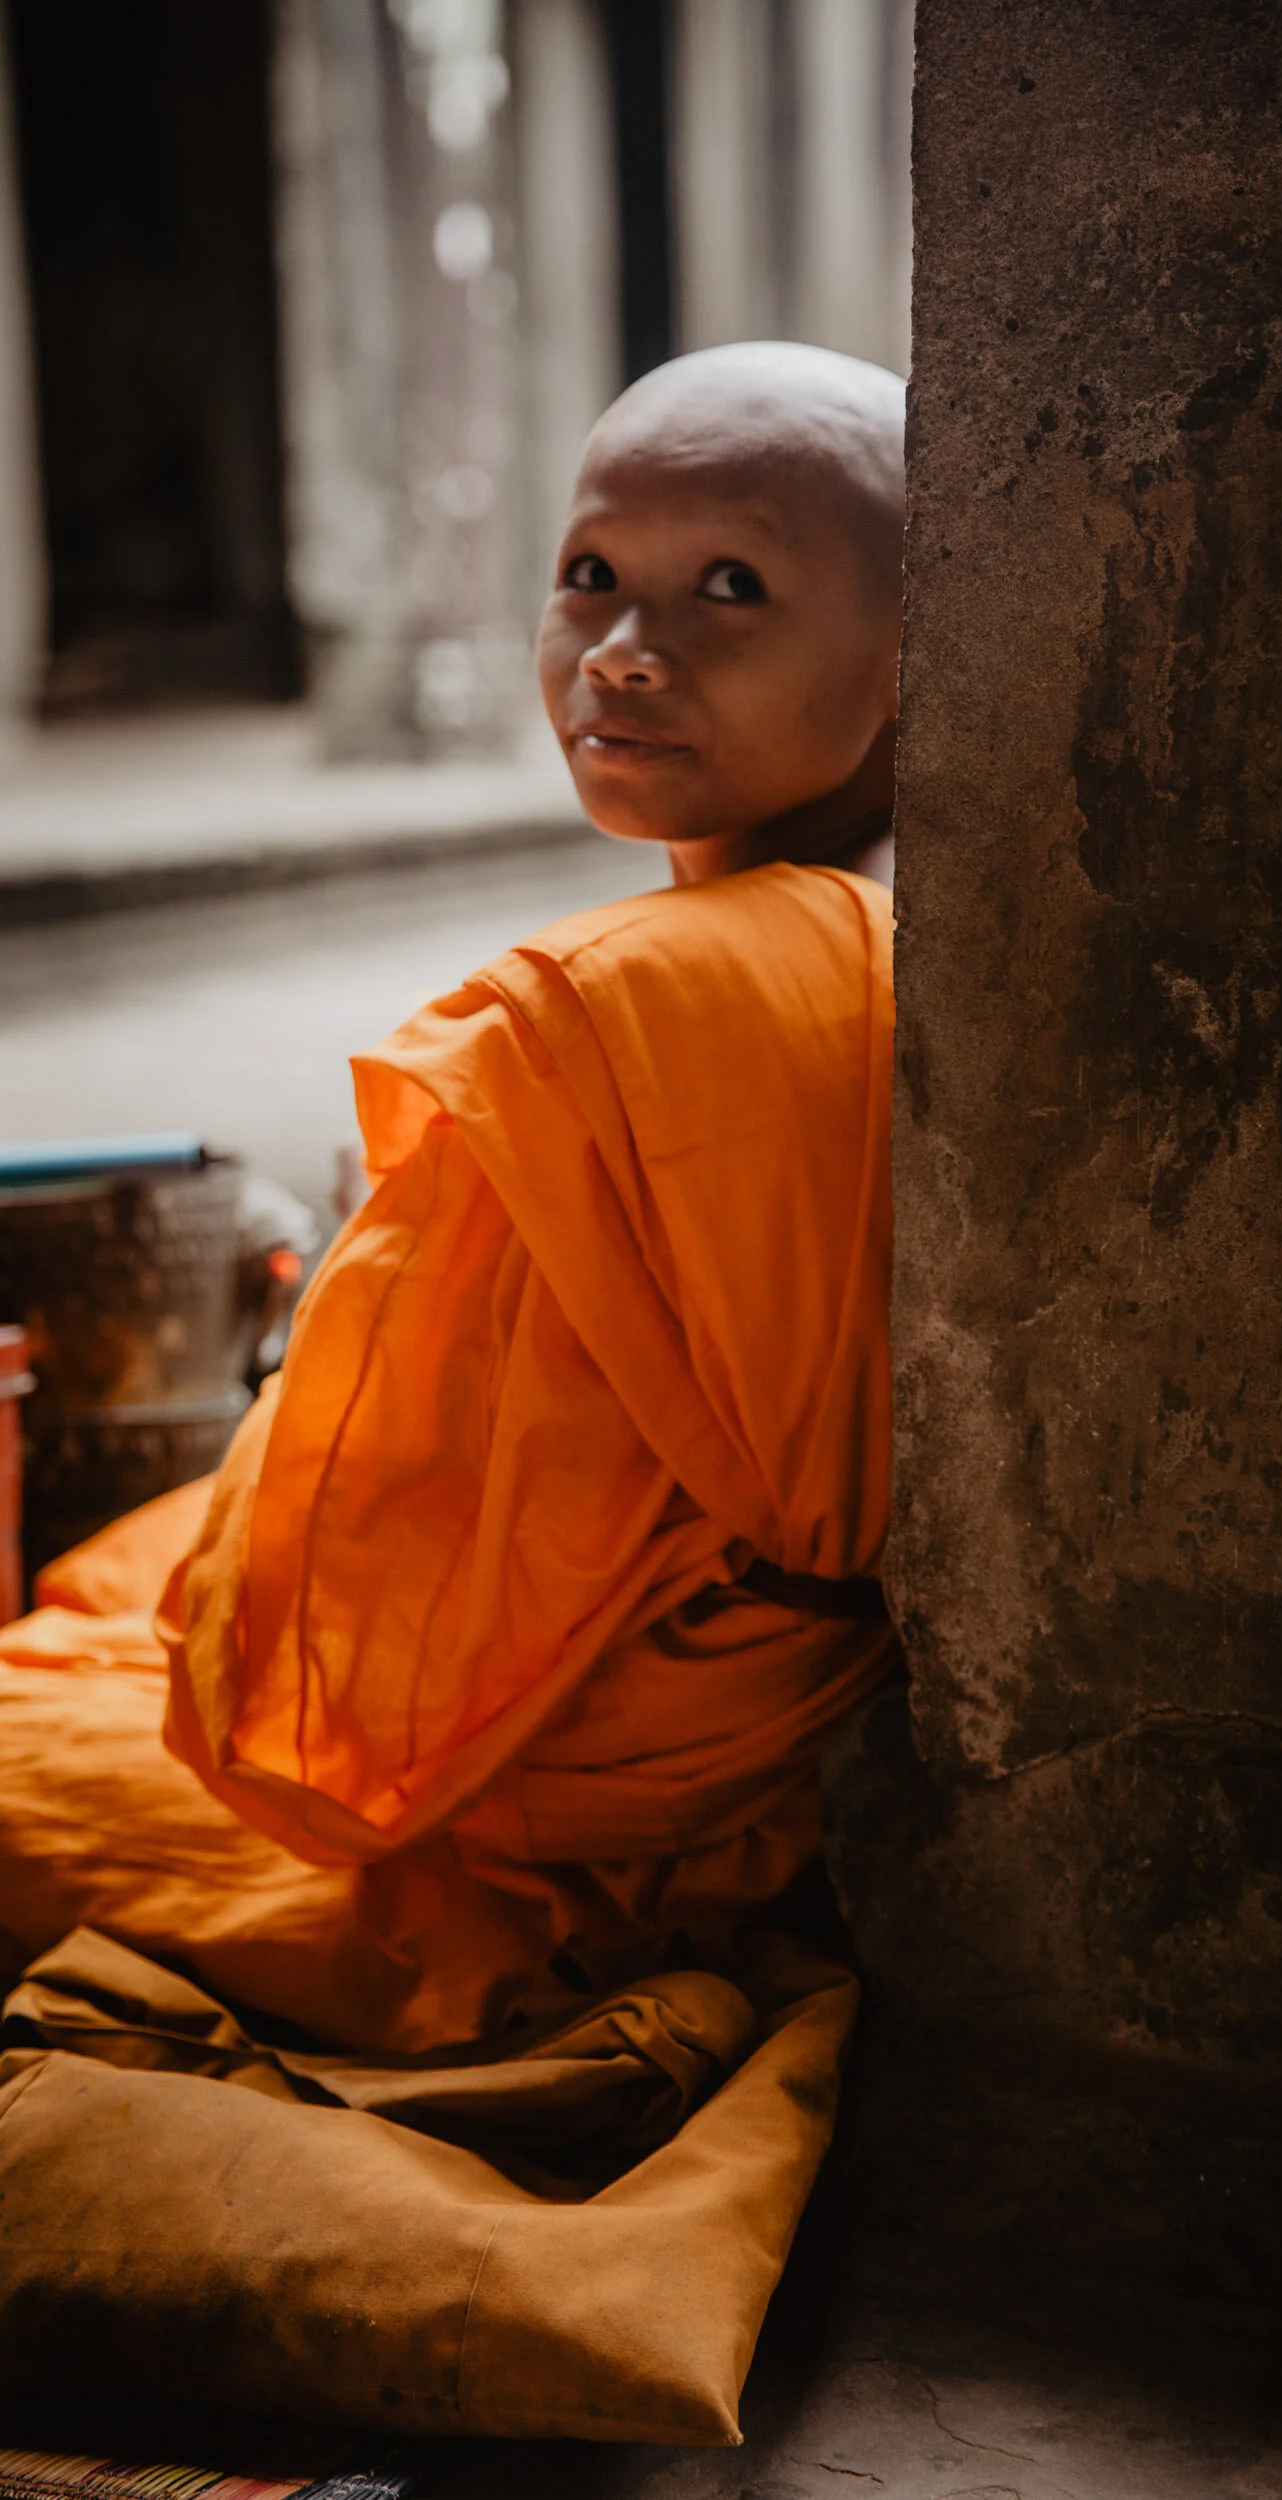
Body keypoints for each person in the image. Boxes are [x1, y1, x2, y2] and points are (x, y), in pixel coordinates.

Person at [0, 344, 904, 2446]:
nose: (620, 648)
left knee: (83, 1673)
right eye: (589, 572)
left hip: (572, 1787)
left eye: (728, 590)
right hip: (716, 1674)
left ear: (925, 644)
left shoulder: (625, 1002)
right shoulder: (866, 921)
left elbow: (323, 1662)